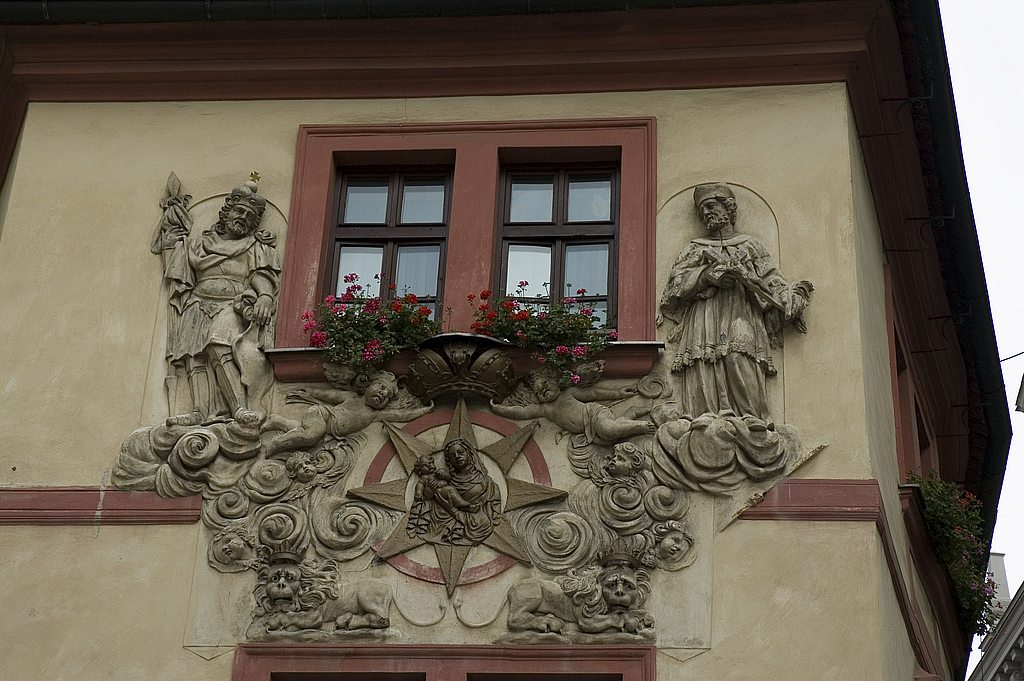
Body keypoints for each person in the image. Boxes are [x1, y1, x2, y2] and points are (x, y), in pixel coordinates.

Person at [657, 182, 812, 429]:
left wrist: (789, 297)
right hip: (705, 313)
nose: (706, 213)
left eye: (710, 206)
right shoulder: (696, 248)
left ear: (728, 208)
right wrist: (707, 276)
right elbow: (675, 286)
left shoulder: (750, 245)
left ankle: (753, 416)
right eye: (702, 210)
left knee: (740, 353)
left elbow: (771, 278)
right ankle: (704, 415)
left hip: (741, 308)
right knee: (704, 359)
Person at [156, 177, 281, 425]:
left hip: (232, 304)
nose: (243, 217)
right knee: (194, 356)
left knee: (218, 344)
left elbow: (260, 274)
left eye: (250, 215)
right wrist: (173, 238)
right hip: (198, 301)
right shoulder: (199, 245)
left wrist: (265, 295)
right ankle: (199, 412)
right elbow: (178, 270)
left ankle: (238, 408)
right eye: (239, 210)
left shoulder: (254, 246)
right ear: (227, 212)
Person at [261, 371, 431, 455]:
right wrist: (310, 391)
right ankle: (276, 445)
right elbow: (328, 395)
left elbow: (401, 416)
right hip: (322, 415)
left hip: (328, 428)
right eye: (381, 387)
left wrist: (424, 410)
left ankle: (276, 421)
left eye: (386, 396)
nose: (382, 393)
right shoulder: (352, 397)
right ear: (367, 386)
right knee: (310, 436)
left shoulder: (375, 415)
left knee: (303, 430)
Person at [406, 438, 502, 545]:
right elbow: (426, 502)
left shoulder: (486, 482)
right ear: (448, 460)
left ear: (469, 454)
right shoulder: (446, 480)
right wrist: (429, 492)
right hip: (441, 525)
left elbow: (490, 515)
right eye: (452, 455)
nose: (457, 456)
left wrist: (452, 509)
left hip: (476, 524)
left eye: (460, 452)